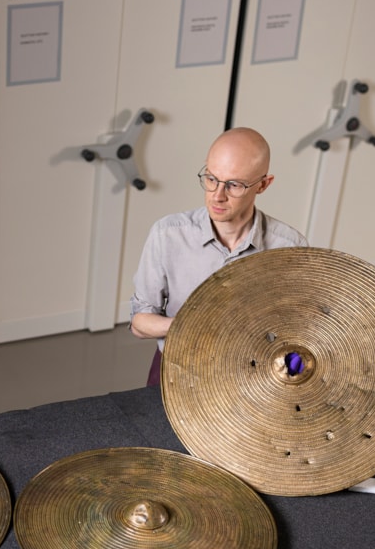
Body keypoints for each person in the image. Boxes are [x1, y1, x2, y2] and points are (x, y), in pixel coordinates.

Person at [130, 127, 308, 386]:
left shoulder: (289, 247)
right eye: (211, 178)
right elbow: (139, 323)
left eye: (234, 185)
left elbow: (296, 329)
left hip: (250, 377)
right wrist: (201, 324)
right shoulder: (167, 234)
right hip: (177, 369)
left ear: (263, 185)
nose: (217, 195)